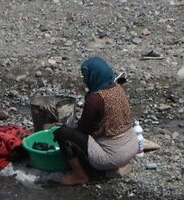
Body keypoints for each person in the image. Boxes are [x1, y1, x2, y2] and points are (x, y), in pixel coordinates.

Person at [53, 57, 137, 185]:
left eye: (85, 76)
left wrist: (65, 130)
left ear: (92, 76)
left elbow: (83, 129)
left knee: (62, 133)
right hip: (131, 147)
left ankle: (79, 176)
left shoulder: (95, 99)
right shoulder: (118, 88)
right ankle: (119, 167)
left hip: (112, 156)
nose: (84, 80)